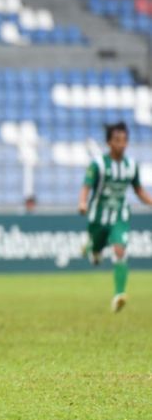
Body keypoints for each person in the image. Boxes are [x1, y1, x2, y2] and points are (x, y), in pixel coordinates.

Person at [78, 121, 152, 312]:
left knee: (120, 250)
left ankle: (119, 295)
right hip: (98, 216)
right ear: (109, 142)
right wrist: (82, 202)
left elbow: (139, 190)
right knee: (97, 251)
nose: (122, 144)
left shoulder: (131, 166)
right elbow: (86, 186)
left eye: (125, 140)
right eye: (118, 140)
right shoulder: (98, 165)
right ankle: (93, 248)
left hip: (120, 215)